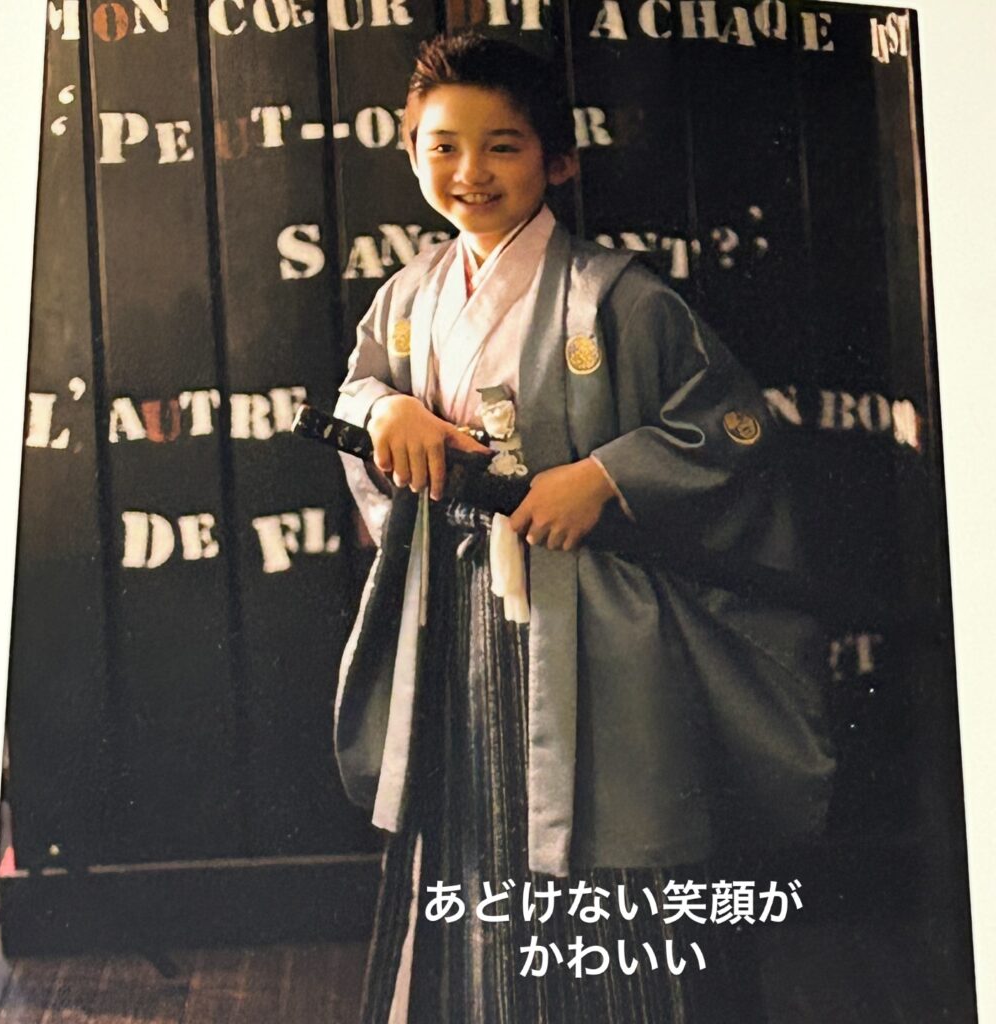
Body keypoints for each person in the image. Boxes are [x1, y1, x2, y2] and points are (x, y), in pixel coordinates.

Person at [332, 31, 833, 1024]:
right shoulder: (409, 299)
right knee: (470, 832)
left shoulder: (620, 299)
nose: (470, 172)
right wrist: (385, 412)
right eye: (442, 146)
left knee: (615, 836)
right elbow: (358, 390)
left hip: (596, 625)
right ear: (411, 152)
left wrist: (605, 478)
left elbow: (730, 425)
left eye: (503, 146)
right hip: (456, 619)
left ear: (556, 159)